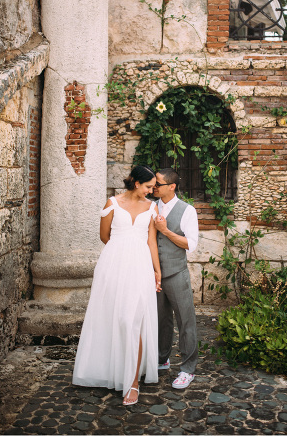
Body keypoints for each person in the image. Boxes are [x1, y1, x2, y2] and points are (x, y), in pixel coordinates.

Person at [72, 165, 162, 406]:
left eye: (153, 187)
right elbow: (104, 236)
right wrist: (121, 251)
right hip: (113, 266)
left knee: (132, 320)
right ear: (136, 183)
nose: (151, 191)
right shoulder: (111, 203)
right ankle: (107, 369)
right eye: (148, 186)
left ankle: (133, 382)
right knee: (111, 317)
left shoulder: (152, 208)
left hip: (140, 267)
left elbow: (151, 242)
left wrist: (157, 271)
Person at [152, 168, 200, 390]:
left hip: (176, 273)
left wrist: (166, 231)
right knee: (161, 320)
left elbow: (190, 244)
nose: (154, 187)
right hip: (154, 274)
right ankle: (162, 359)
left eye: (158, 184)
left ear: (171, 187)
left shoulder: (187, 210)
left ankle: (188, 369)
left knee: (185, 321)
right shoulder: (151, 207)